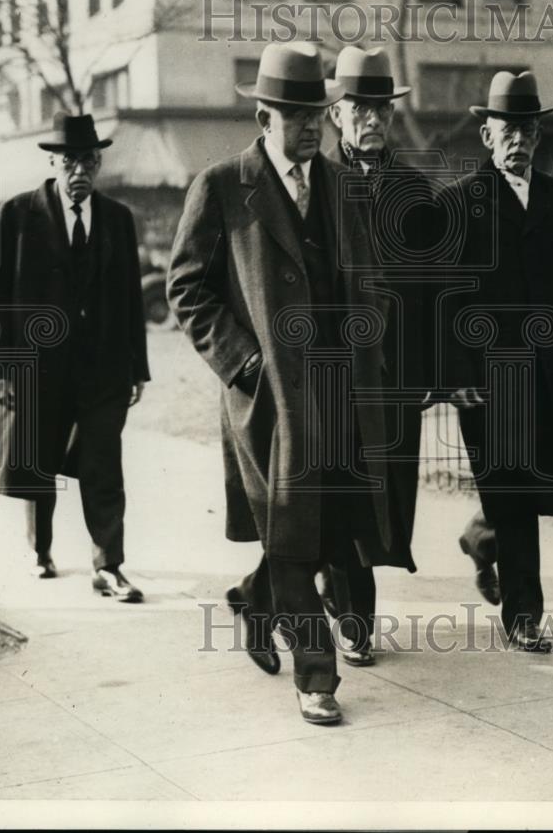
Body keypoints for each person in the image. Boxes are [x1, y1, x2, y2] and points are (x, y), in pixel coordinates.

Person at [167, 42, 394, 725]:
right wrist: (245, 365)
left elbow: (369, 280)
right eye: (294, 115)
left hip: (338, 391)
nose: (309, 127)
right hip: (268, 398)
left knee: (330, 529)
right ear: (262, 115)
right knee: (294, 536)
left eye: (316, 115)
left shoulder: (340, 185)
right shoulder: (221, 185)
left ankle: (252, 600)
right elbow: (187, 289)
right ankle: (316, 678)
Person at [443, 71, 553, 652]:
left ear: (538, 134)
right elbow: (448, 297)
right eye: (507, 128)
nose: (518, 139)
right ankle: (524, 616)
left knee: (530, 489)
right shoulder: (462, 202)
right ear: (487, 135)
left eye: (528, 128)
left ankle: (482, 539)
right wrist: (457, 374)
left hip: (548, 372)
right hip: (488, 378)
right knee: (514, 492)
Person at [0, 113, 149, 602]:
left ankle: (108, 566)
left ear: (98, 164)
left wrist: (138, 367)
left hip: (102, 372)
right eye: (70, 160)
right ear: (53, 162)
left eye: (89, 160)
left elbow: (130, 299)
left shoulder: (118, 219)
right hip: (37, 368)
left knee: (103, 464)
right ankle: (41, 550)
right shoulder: (16, 215)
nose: (80, 170)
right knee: (37, 461)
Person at [321, 45, 435, 663]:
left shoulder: (415, 191)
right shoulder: (314, 183)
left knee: (383, 496)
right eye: (359, 108)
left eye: (381, 110)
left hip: (394, 377)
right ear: (336, 113)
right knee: (342, 489)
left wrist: (432, 374)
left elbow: (433, 290)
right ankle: (355, 617)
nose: (371, 120)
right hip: (335, 374)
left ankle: (340, 594)